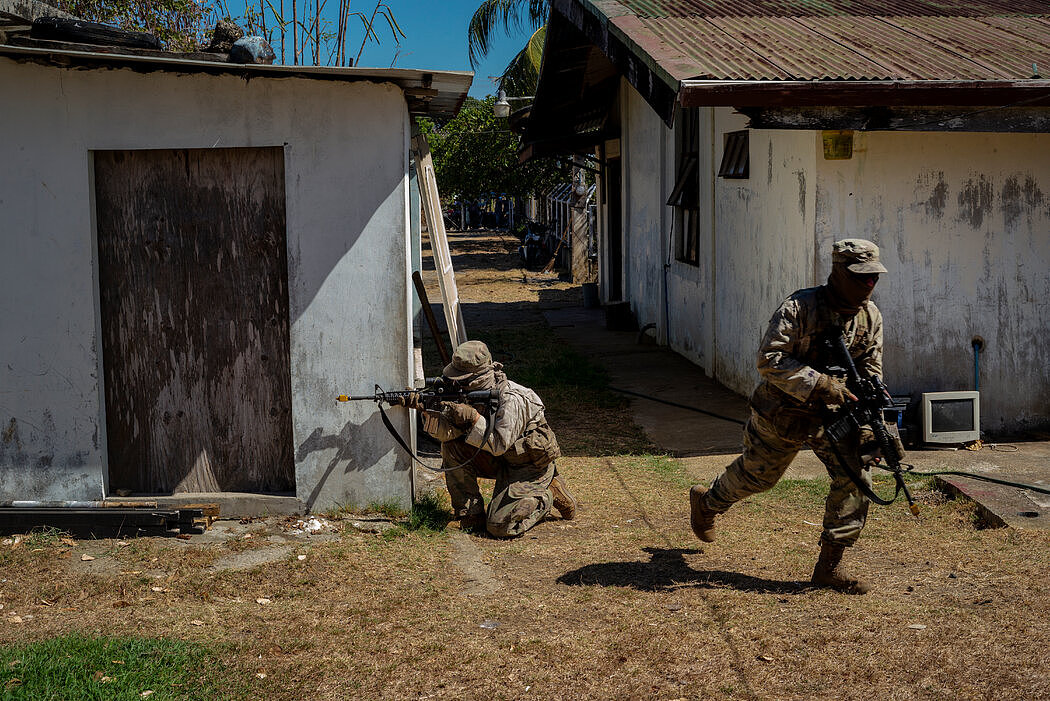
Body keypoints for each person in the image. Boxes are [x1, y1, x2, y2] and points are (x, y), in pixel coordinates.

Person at [689, 238, 891, 594]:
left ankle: (830, 567)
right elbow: (770, 360)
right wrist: (821, 383)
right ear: (838, 272)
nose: (869, 285)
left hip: (835, 416)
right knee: (759, 477)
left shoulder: (869, 317)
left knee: (856, 478)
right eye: (861, 277)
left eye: (874, 278)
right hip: (784, 410)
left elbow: (870, 366)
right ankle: (707, 503)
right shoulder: (799, 308)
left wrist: (871, 403)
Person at [419, 340, 577, 537]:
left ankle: (547, 495)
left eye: (462, 379)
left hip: (528, 466)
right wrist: (428, 413)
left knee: (499, 526)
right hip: (498, 461)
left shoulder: (512, 398)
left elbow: (499, 445)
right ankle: (471, 515)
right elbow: (450, 435)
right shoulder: (467, 392)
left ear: (478, 377)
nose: (456, 383)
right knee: (452, 447)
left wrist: (474, 418)